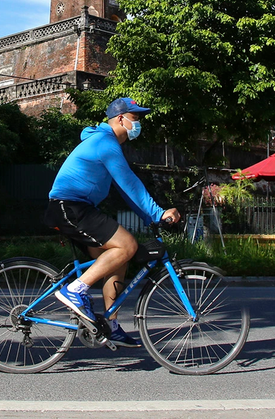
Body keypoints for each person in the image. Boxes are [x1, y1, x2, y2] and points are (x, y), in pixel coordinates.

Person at [44, 97, 181, 349]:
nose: (137, 124)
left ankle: (111, 325)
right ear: (121, 118)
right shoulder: (105, 143)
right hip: (70, 207)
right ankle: (74, 290)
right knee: (126, 245)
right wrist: (159, 214)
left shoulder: (104, 143)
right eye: (135, 118)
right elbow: (130, 184)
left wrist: (149, 218)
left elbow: (125, 190)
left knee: (118, 256)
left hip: (76, 207)